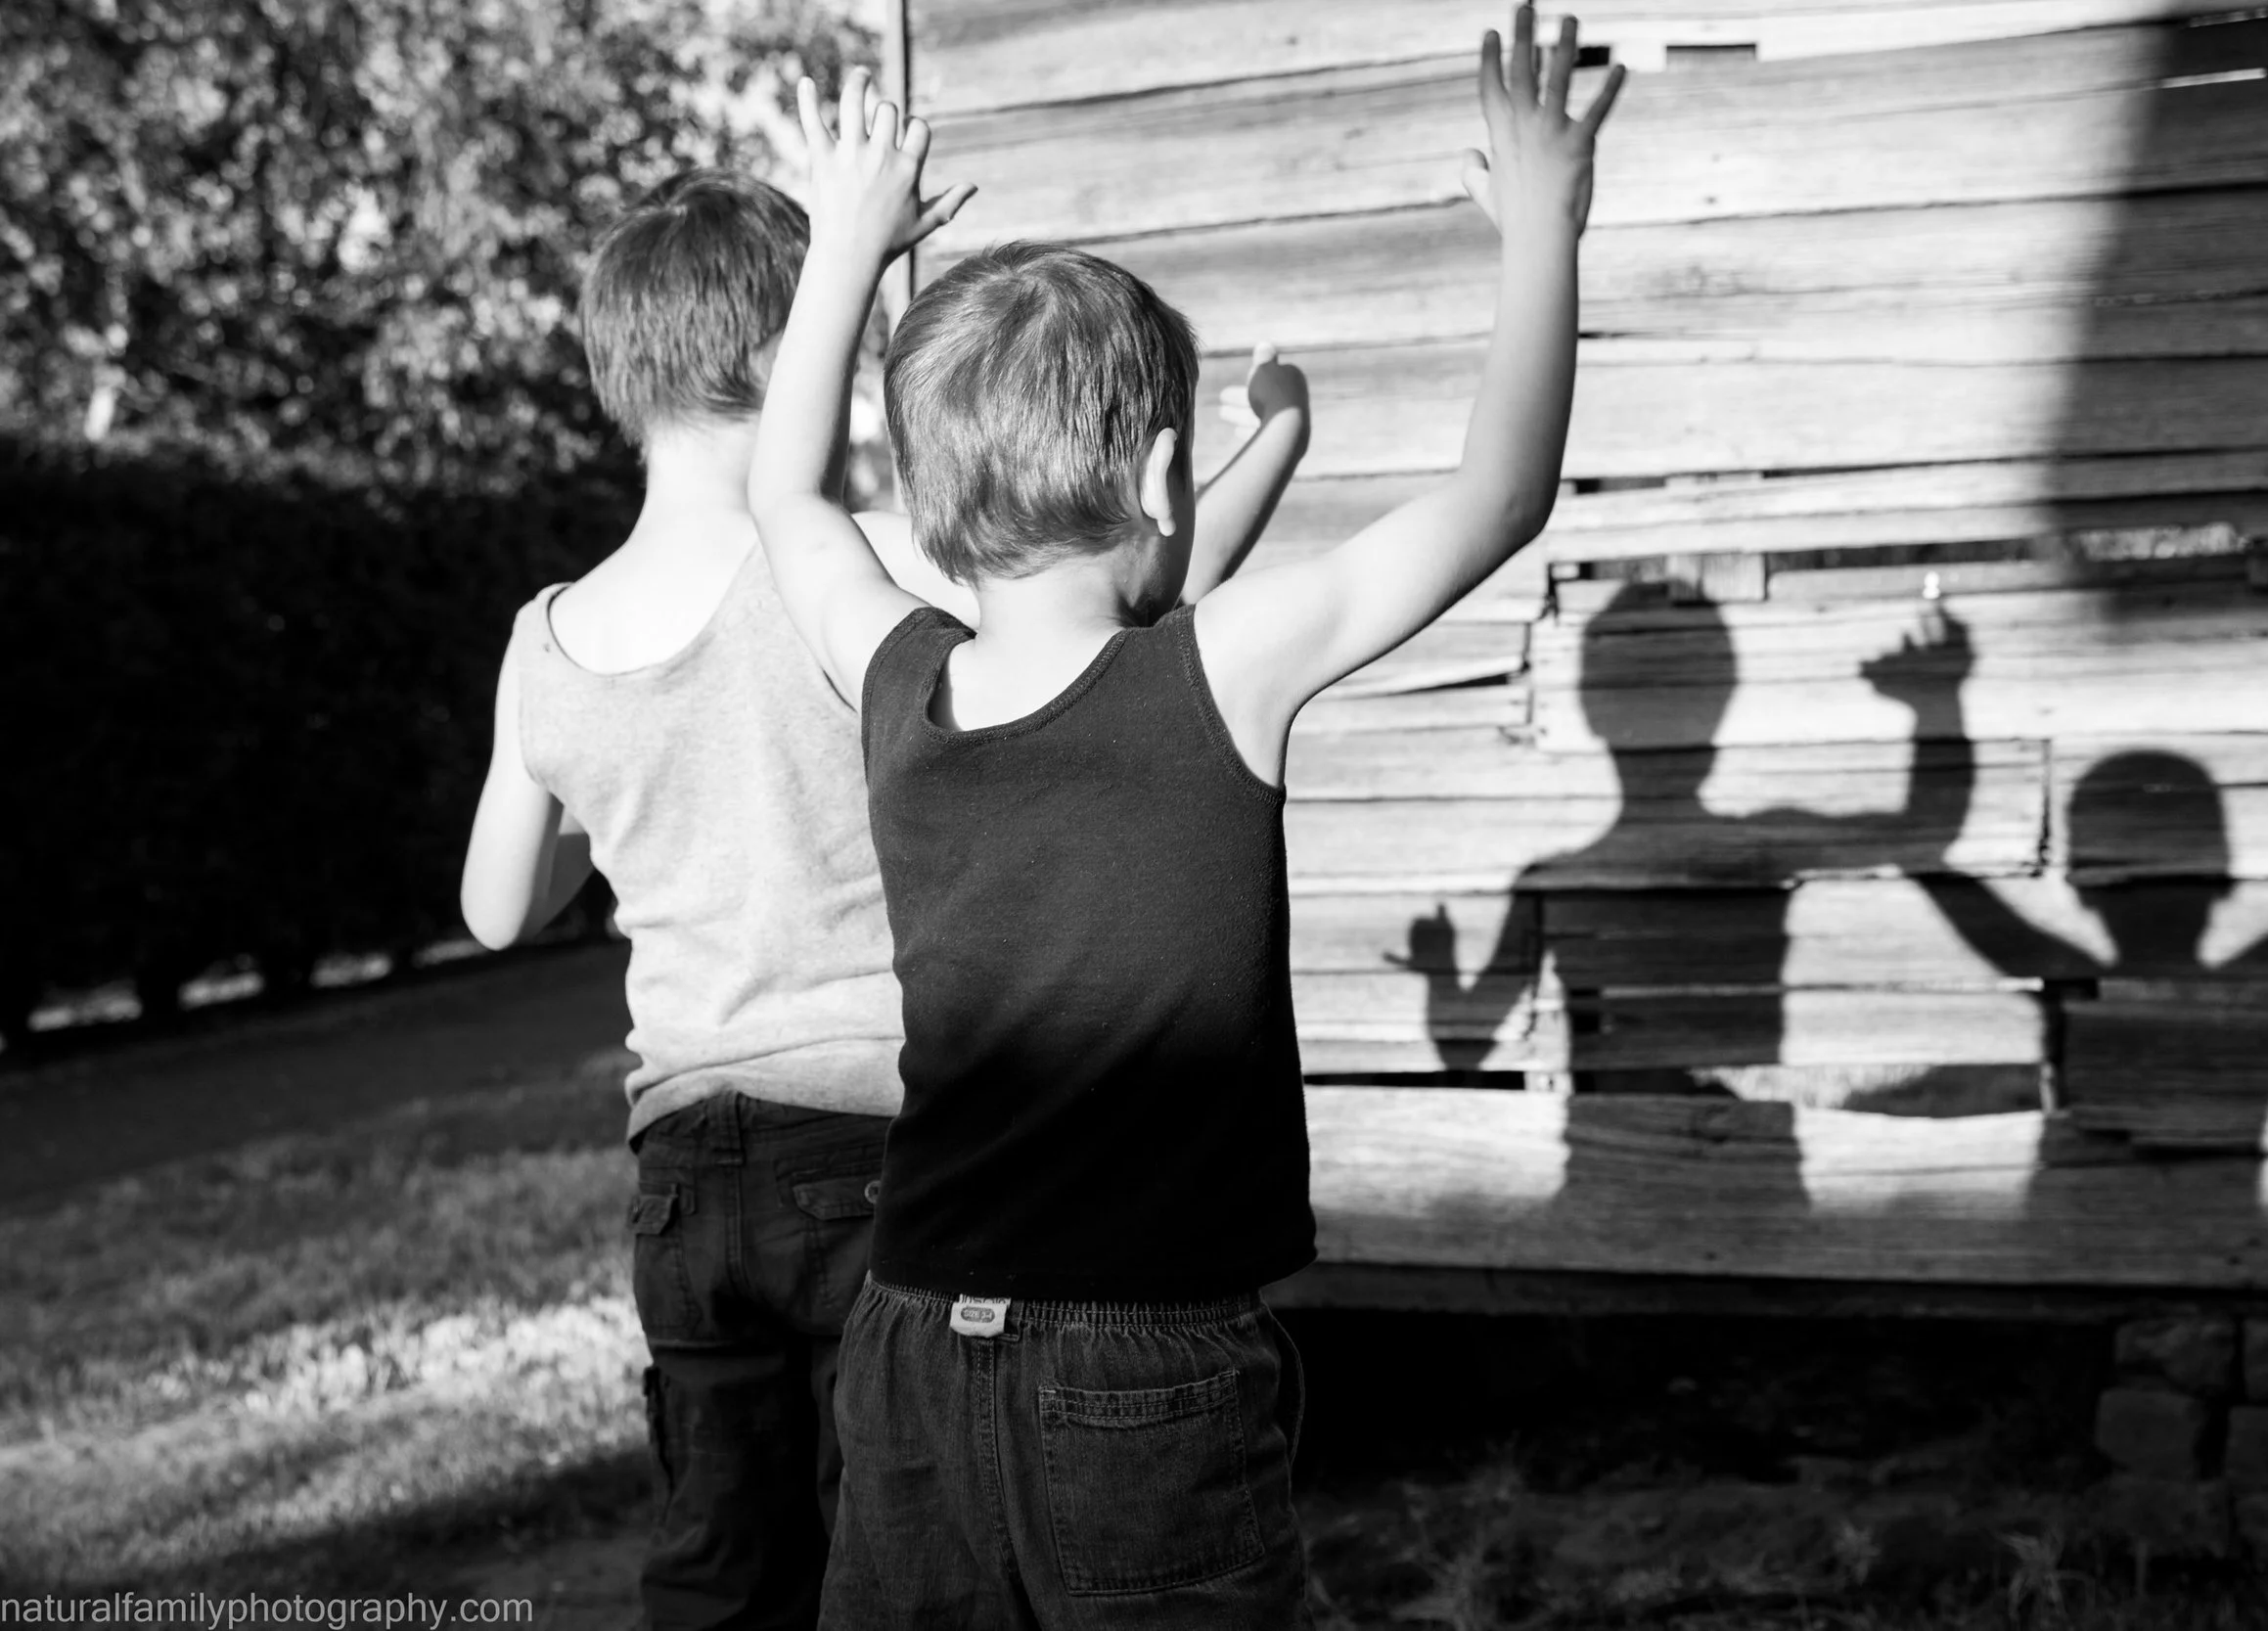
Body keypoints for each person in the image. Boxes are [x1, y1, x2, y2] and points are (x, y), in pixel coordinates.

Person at [744, 9, 1622, 1621]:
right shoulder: (1213, 672)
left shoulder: (898, 678)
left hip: (912, 1337)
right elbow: (1500, 496)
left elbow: (788, 498)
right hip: (1141, 1369)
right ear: (1161, 474)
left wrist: (849, 247)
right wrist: (1544, 228)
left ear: (935, 508)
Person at [455, 168, 1306, 1628]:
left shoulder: (549, 639)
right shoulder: (879, 570)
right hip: (871, 1152)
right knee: (904, 1529)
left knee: (722, 1547)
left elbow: (495, 909)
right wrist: (1271, 446)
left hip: (681, 1172)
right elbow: (1137, 601)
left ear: (617, 366)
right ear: (812, 349)